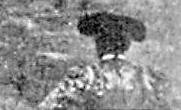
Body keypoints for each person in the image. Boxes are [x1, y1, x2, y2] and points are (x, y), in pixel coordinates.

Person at [38, 12, 171, 109]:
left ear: (98, 44)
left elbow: (48, 107)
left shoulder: (85, 76)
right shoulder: (147, 77)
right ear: (127, 45)